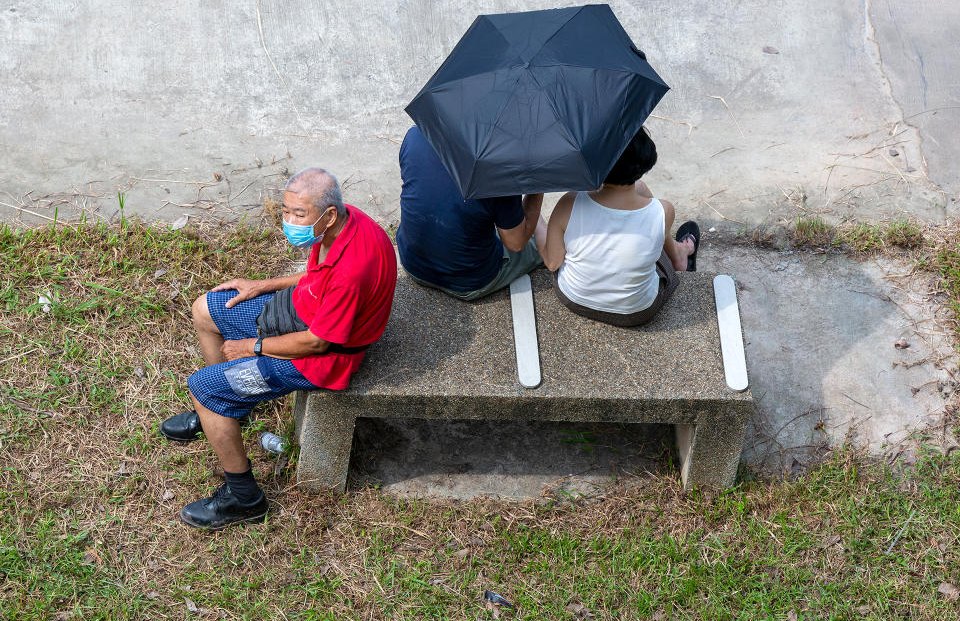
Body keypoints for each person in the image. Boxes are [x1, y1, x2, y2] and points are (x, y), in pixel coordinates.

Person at [159, 168, 397, 530]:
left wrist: (253, 347)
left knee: (203, 388)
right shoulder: (346, 222)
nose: (289, 221)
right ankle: (232, 411)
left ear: (327, 214)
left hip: (319, 360)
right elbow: (318, 277)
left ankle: (244, 498)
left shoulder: (352, 269)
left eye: (298, 215)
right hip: (304, 310)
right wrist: (261, 285)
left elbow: (319, 342)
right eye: (285, 211)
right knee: (205, 308)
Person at [536, 127, 699, 327]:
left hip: (574, 299)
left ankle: (677, 254)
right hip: (636, 312)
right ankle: (679, 254)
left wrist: (536, 223)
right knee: (654, 238)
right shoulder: (664, 210)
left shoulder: (569, 203)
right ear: (646, 159)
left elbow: (552, 264)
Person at [396, 125, 545, 300]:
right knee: (542, 237)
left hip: (412, 262)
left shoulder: (417, 135)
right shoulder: (502, 168)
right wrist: (538, 187)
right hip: (468, 281)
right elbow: (516, 243)